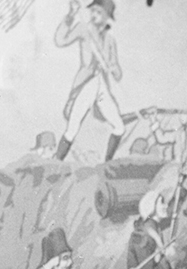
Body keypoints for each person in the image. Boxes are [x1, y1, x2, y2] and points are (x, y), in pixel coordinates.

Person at [53, 0, 124, 162]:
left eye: (99, 12)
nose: (94, 15)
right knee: (72, 129)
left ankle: (107, 165)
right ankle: (55, 163)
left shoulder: (110, 39)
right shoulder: (84, 29)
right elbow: (60, 40)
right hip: (86, 84)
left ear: (107, 17)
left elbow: (118, 72)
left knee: (119, 127)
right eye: (93, 11)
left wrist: (113, 68)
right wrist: (70, 15)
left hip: (102, 85)